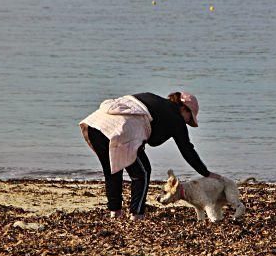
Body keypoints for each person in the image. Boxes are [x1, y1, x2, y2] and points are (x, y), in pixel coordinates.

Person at [79, 91, 220, 220]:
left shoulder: (153, 100)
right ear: (184, 109)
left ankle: (115, 212)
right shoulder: (176, 118)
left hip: (95, 125)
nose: (186, 123)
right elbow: (187, 150)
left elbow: (151, 137)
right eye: (189, 119)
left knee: (112, 171)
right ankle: (136, 214)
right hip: (120, 128)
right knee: (143, 172)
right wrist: (206, 173)